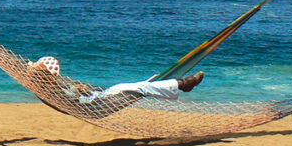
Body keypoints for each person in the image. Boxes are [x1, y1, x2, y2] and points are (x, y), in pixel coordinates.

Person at [27, 56, 204, 104]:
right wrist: (77, 92)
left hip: (99, 97)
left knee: (139, 87)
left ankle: (180, 84)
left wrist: (78, 88)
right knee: (140, 88)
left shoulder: (53, 88)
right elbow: (71, 100)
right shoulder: (50, 91)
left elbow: (71, 95)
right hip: (95, 104)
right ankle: (182, 84)